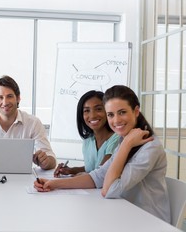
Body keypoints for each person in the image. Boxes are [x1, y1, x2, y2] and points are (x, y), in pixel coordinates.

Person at [34, 85, 171, 223]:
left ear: (136, 111)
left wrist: (126, 145)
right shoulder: (126, 139)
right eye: (111, 114)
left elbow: (109, 189)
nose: (116, 120)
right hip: (124, 213)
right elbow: (98, 176)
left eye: (122, 112)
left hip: (149, 222)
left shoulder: (149, 147)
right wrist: (54, 183)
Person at [54, 90, 119, 177]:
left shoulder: (117, 139)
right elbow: (92, 168)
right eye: (86, 111)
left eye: (99, 109)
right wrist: (71, 170)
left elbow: (102, 172)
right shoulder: (88, 140)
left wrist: (82, 176)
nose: (92, 115)